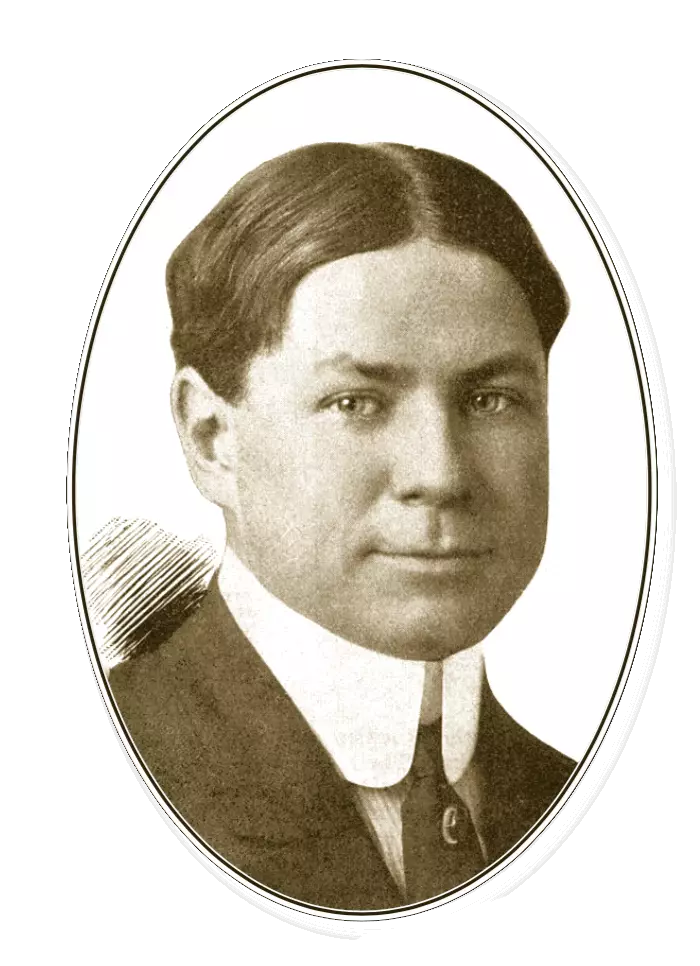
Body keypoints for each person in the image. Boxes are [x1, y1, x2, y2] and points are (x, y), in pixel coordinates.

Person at [107, 142, 575, 913]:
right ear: (211, 438)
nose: (441, 474)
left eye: (491, 398)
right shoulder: (107, 769)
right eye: (356, 402)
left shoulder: (573, 798)